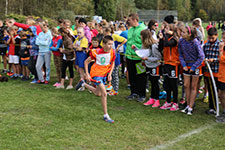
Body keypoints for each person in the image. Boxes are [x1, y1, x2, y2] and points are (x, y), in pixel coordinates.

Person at [75, 35, 116, 123]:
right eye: (108, 44)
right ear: (103, 44)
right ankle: (106, 115)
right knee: (104, 93)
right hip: (96, 74)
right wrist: (87, 74)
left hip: (104, 74)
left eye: (112, 44)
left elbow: (112, 63)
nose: (110, 46)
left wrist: (110, 74)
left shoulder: (112, 52)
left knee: (98, 93)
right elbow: (86, 62)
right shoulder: (96, 52)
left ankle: (83, 84)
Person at [179, 26, 205, 115]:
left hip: (195, 66)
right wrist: (184, 65)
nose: (182, 34)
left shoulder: (195, 42)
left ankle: (190, 106)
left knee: (194, 87)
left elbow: (201, 56)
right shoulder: (181, 41)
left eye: (184, 32)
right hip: (186, 66)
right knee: (186, 85)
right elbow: (180, 54)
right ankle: (187, 104)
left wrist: (194, 67)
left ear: (189, 34)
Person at [133, 29, 161, 107]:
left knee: (155, 83)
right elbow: (143, 53)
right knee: (151, 82)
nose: (140, 37)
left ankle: (157, 99)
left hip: (155, 66)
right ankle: (152, 98)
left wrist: (148, 59)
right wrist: (135, 49)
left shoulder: (154, 46)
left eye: (141, 36)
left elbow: (158, 58)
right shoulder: (145, 45)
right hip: (148, 66)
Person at [126, 13, 147, 102]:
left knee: (141, 76)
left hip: (139, 58)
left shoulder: (143, 29)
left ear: (135, 20)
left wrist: (141, 52)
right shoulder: (130, 30)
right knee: (131, 75)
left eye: (129, 20)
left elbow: (145, 43)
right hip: (129, 57)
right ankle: (133, 92)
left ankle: (142, 94)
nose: (128, 21)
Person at [159, 23, 180, 111]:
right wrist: (161, 39)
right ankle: (168, 101)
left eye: (167, 28)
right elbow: (160, 48)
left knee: (173, 84)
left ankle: (175, 102)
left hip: (173, 64)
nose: (165, 30)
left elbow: (168, 44)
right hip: (166, 63)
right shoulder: (165, 38)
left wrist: (166, 35)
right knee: (167, 83)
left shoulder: (174, 39)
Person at [102, 27, 127, 95]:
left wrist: (118, 47)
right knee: (108, 73)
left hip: (115, 57)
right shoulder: (105, 39)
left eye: (105, 33)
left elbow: (125, 40)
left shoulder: (114, 36)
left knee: (114, 74)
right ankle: (110, 88)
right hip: (107, 58)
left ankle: (115, 90)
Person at [203, 27, 220, 115]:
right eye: (209, 38)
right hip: (208, 72)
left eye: (213, 38)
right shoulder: (206, 45)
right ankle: (212, 107)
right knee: (211, 90)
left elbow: (221, 58)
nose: (211, 39)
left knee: (219, 90)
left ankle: (218, 105)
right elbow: (203, 55)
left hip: (217, 71)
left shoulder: (220, 45)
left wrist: (214, 60)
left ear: (216, 35)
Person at [216, 31, 225, 123]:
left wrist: (221, 50)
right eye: (222, 38)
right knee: (220, 95)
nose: (222, 40)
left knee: (223, 95)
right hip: (221, 75)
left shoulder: (222, 49)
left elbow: (222, 60)